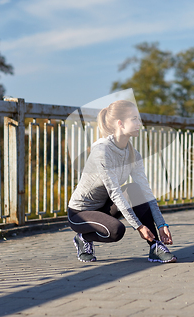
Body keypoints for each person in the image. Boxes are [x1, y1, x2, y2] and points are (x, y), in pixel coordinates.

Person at [67, 100, 176, 263]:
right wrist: (139, 226)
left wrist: (161, 224)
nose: (140, 123)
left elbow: (146, 192)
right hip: (80, 213)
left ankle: (155, 246)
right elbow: (115, 193)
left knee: (135, 190)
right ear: (120, 124)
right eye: (134, 119)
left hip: (105, 207)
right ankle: (83, 237)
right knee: (116, 231)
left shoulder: (133, 154)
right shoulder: (102, 151)